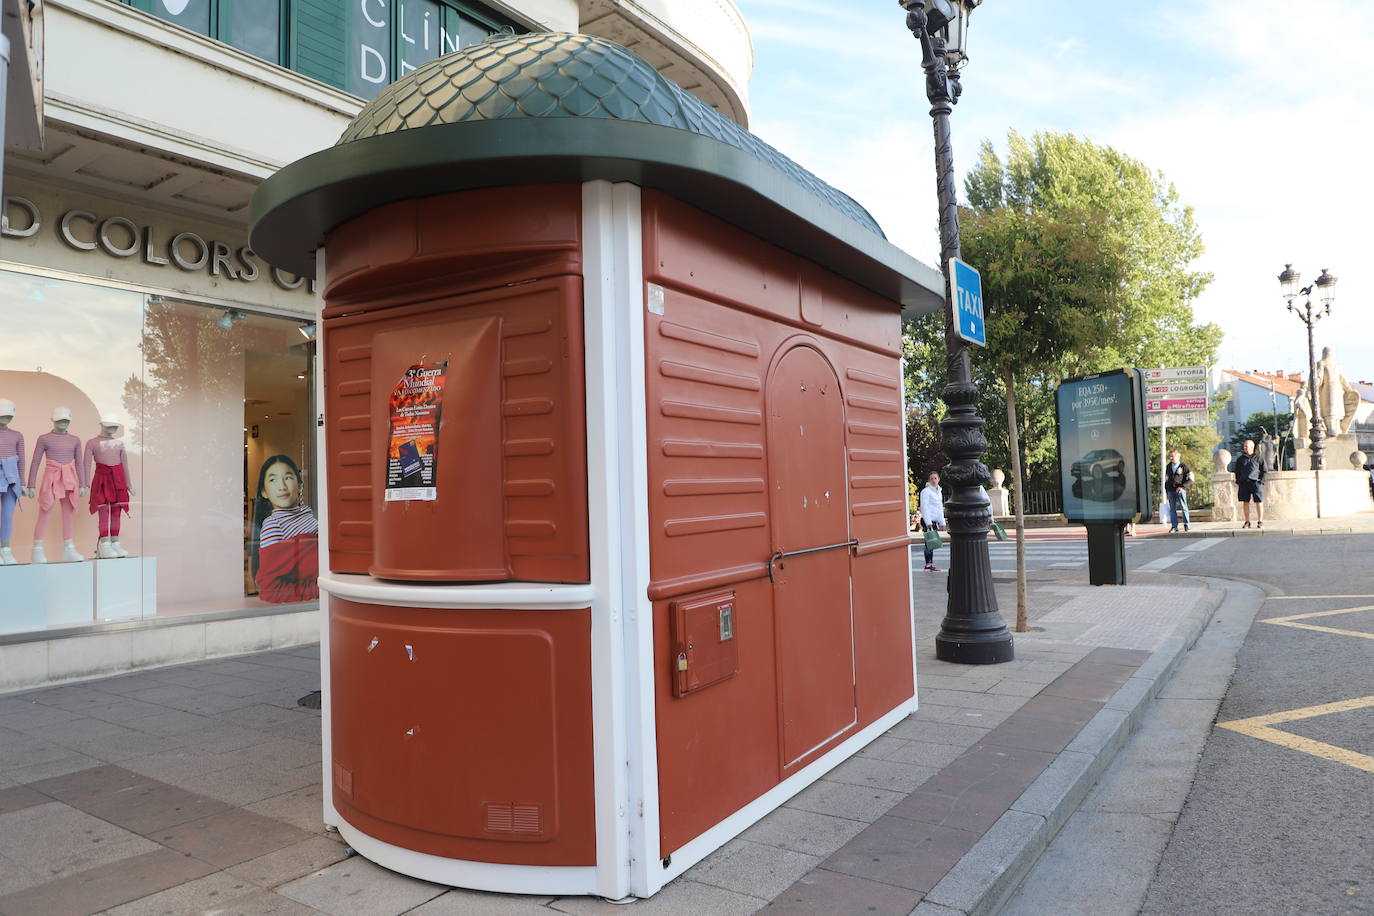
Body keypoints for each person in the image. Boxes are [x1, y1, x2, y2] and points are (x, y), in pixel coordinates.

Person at [251, 454, 319, 603]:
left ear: (300, 485)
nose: (282, 486)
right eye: (273, 480)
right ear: (264, 492)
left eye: (288, 477)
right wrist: (317, 590)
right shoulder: (273, 525)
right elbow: (272, 588)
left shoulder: (310, 514)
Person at [1233, 439, 1265, 529]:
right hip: (1244, 483)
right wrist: (1239, 481)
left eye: (1247, 446)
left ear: (1252, 447)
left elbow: (1263, 470)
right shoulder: (1240, 459)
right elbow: (1237, 471)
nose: (1245, 448)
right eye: (1244, 446)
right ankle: (1247, 521)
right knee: (1245, 502)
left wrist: (1261, 481)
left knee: (1259, 502)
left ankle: (1260, 521)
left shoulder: (1259, 458)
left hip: (1256, 482)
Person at [918, 471, 946, 572]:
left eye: (935, 478)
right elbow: (924, 507)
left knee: (932, 543)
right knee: (929, 543)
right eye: (931, 479)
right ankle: (928, 564)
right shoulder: (926, 492)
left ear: (938, 479)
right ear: (929, 480)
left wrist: (942, 522)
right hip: (927, 520)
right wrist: (928, 522)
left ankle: (930, 563)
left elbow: (939, 508)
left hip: (934, 521)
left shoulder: (938, 491)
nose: (934, 480)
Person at [1165, 449, 1193, 533]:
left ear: (1178, 456)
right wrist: (1166, 490)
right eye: (1170, 456)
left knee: (1184, 507)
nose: (1171, 458)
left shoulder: (1184, 466)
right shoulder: (1168, 466)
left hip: (1181, 490)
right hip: (1171, 490)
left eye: (1173, 456)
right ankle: (1174, 526)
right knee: (1172, 509)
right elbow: (1166, 479)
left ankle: (1186, 525)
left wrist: (1183, 487)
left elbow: (1191, 478)